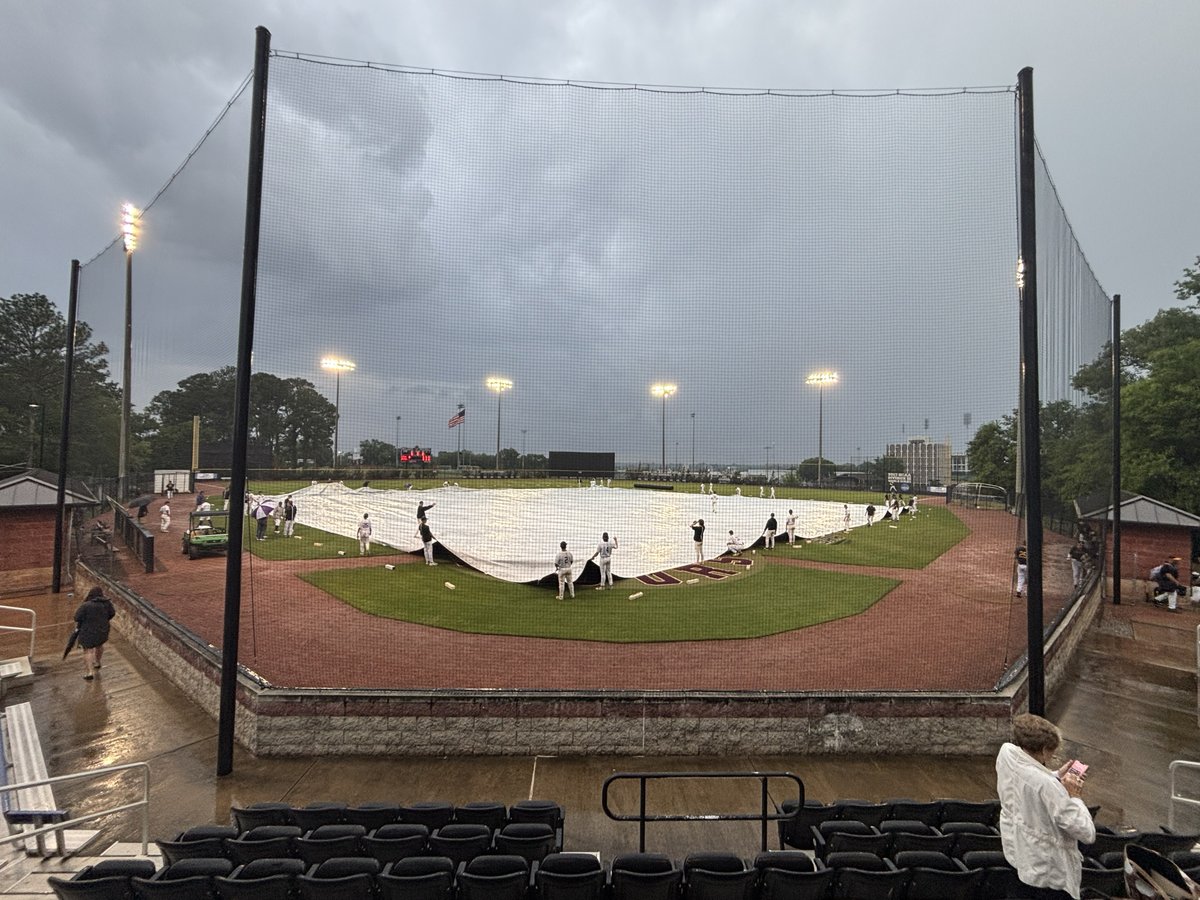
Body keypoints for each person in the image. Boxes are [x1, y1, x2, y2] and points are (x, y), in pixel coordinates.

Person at [996, 713, 1094, 898]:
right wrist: (1075, 796)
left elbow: (1029, 779)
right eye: (1051, 750)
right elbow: (1086, 832)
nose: (1053, 754)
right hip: (1048, 873)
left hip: (1017, 856)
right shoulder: (1047, 786)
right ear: (1042, 750)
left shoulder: (1006, 754)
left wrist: (1056, 776)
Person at [74, 586, 115, 680]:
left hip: (88, 630)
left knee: (88, 650)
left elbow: (77, 617)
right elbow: (112, 613)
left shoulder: (86, 605)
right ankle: (97, 662)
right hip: (103, 629)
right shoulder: (107, 603)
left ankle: (89, 672)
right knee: (99, 645)